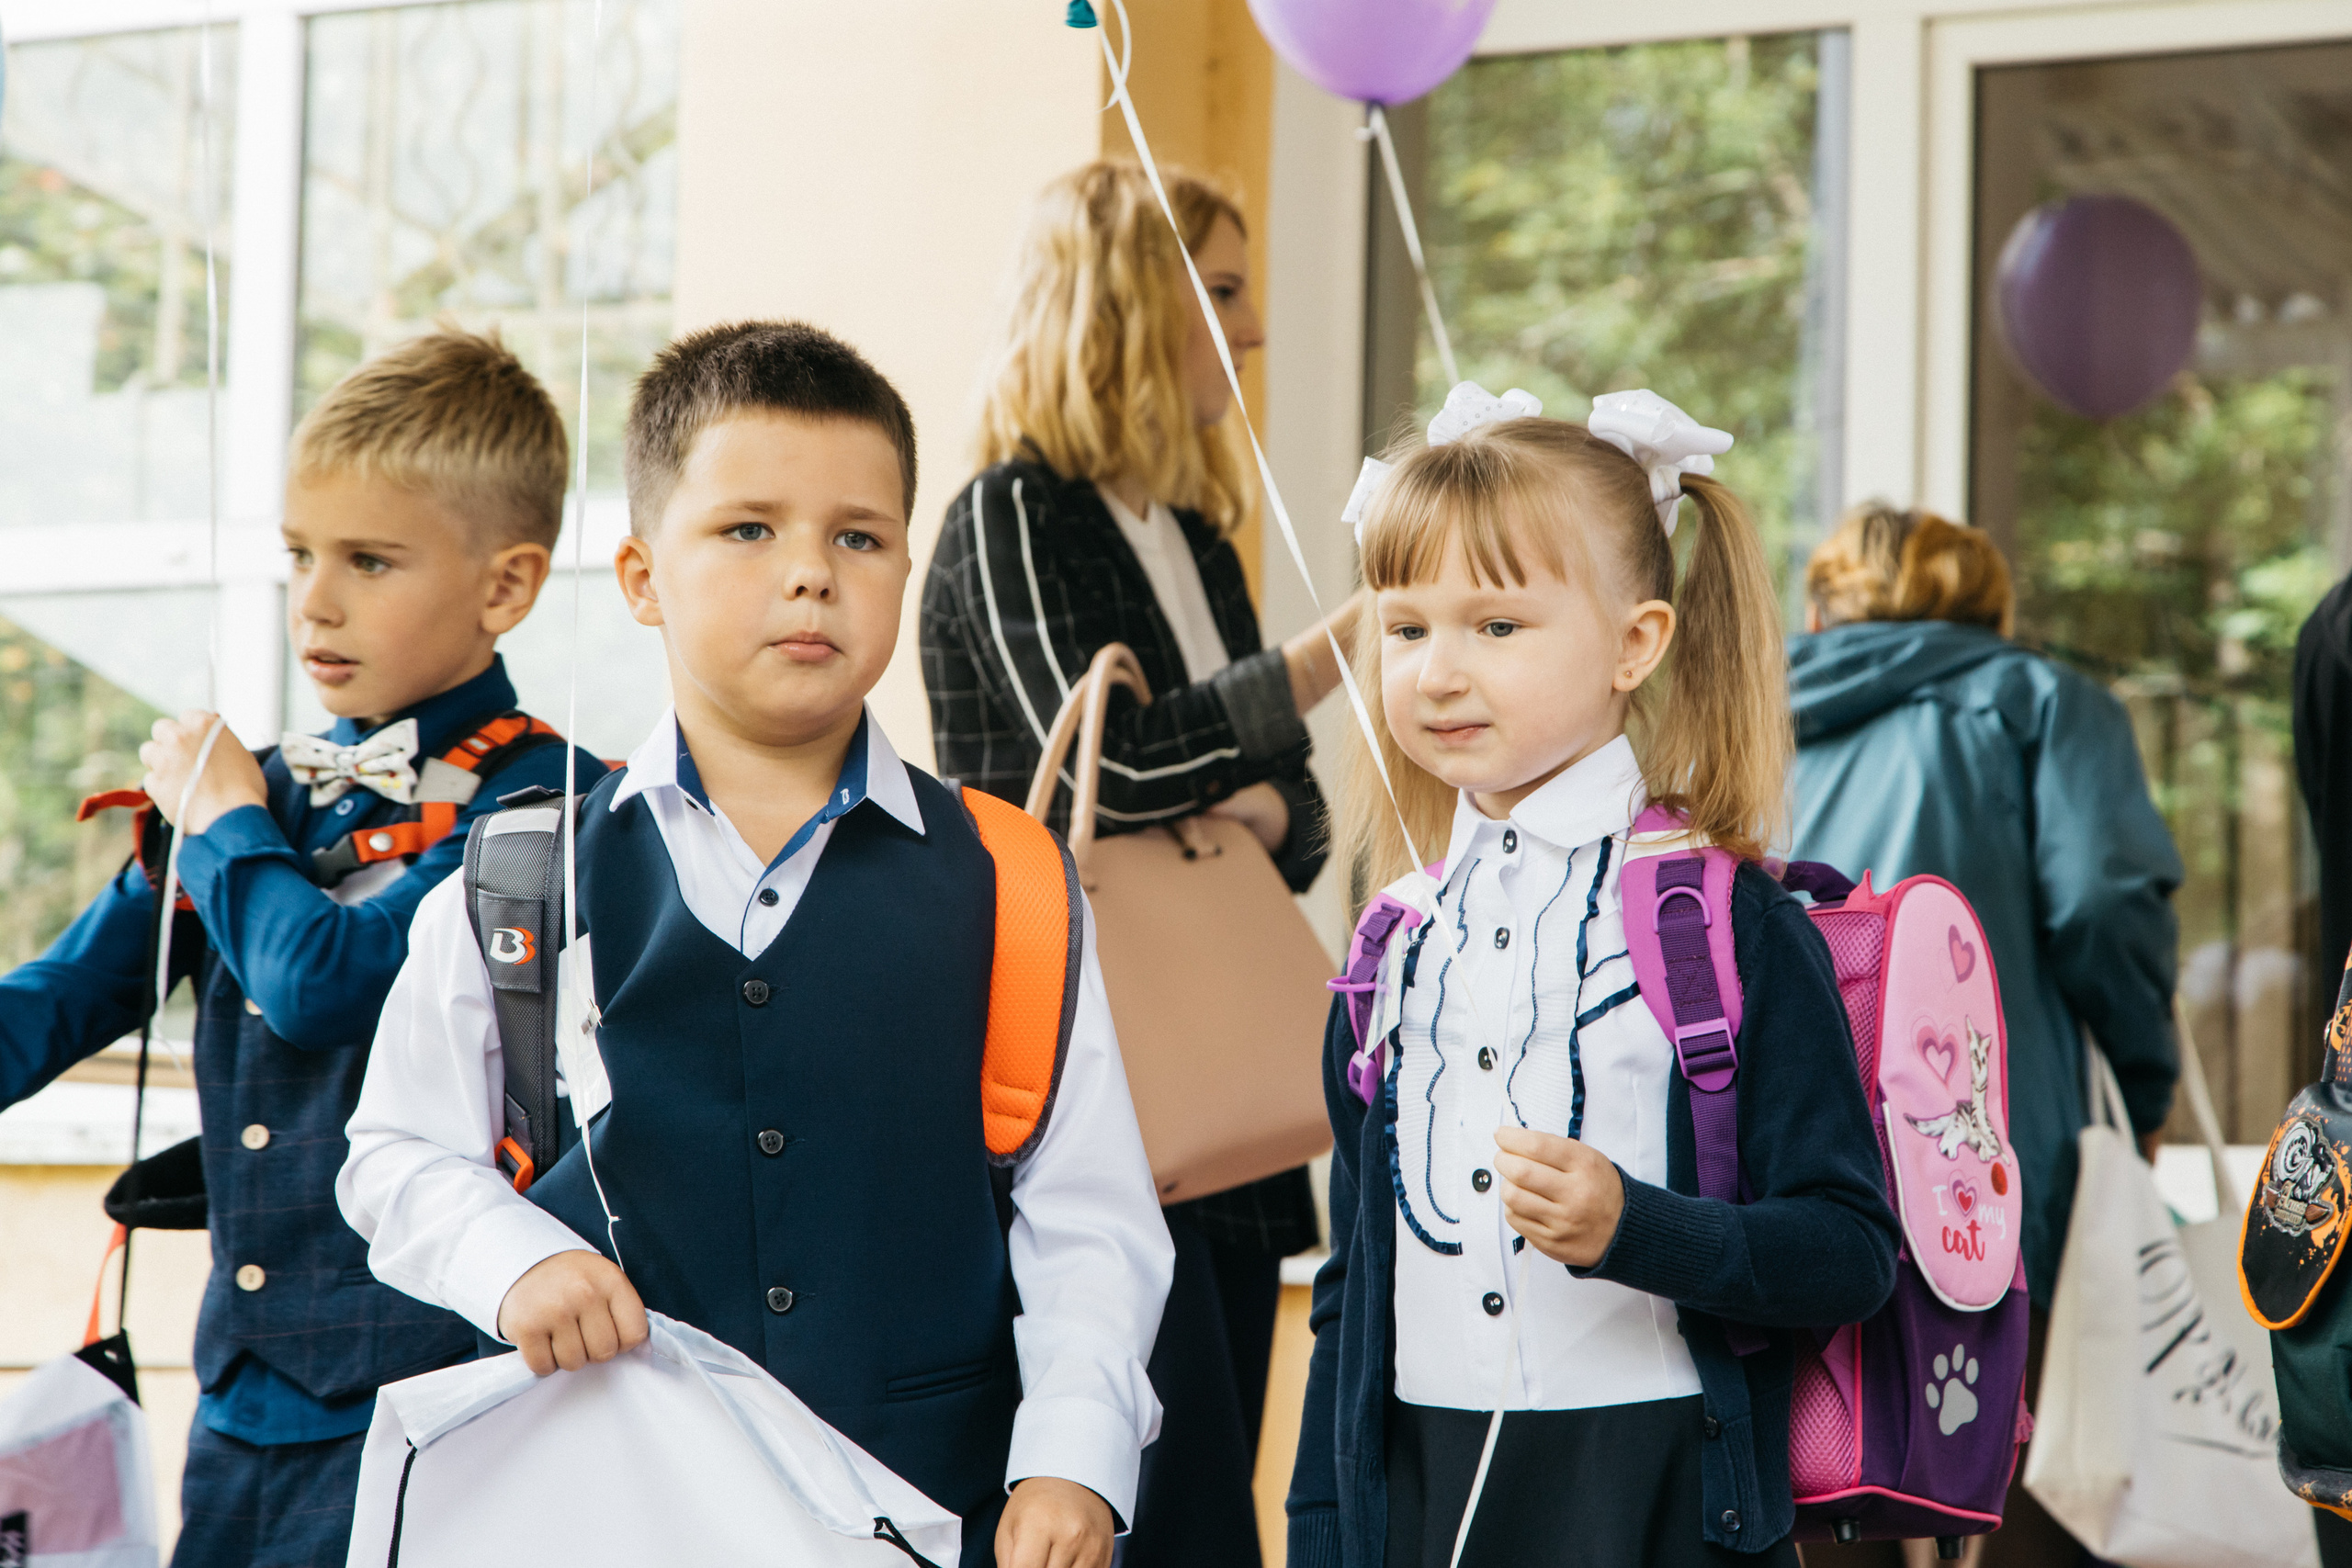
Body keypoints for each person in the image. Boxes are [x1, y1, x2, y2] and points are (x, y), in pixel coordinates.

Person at [338, 320, 1174, 1568]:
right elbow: (397, 1152)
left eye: (859, 534)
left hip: (926, 1506)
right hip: (602, 1502)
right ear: (638, 577)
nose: (811, 573)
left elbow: (1089, 1211)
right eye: (748, 528)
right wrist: (512, 1260)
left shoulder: (1013, 876)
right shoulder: (520, 872)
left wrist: (1072, 1452)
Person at [0, 329, 592, 1567]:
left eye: (369, 560)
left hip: (440, 1389)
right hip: (241, 1391)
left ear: (507, 584)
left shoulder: (547, 801)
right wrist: (227, 816)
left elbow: (325, 983)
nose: (314, 600)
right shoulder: (257, 792)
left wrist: (221, 819)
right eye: (299, 555)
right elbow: (57, 1003)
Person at [1286, 389, 1899, 1568]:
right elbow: (1349, 1290)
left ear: (1636, 643)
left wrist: (1639, 1228)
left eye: (1497, 626)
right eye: (1406, 628)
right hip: (1418, 1498)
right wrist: (1321, 1534)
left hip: (1659, 1497)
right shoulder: (1391, 947)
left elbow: (1848, 1251)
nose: (1438, 673)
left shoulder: (1736, 928)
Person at [921, 160, 1359, 1566]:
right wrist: (1316, 665)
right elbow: (1103, 769)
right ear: (1124, 302)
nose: (1251, 328)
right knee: (1152, 1504)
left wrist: (1245, 787)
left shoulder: (1200, 539)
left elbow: (1296, 805)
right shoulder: (1010, 512)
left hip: (1214, 1109)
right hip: (1085, 1085)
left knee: (1214, 1488)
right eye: (1219, 290)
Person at [1784, 502, 2181, 1568]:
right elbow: (2103, 903)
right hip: (1993, 1144)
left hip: (1801, 1141)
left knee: (1824, 1453)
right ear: (1989, 609)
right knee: (2035, 1469)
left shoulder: (1749, 714)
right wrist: (2143, 1091)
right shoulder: (2043, 700)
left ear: (1821, 608)